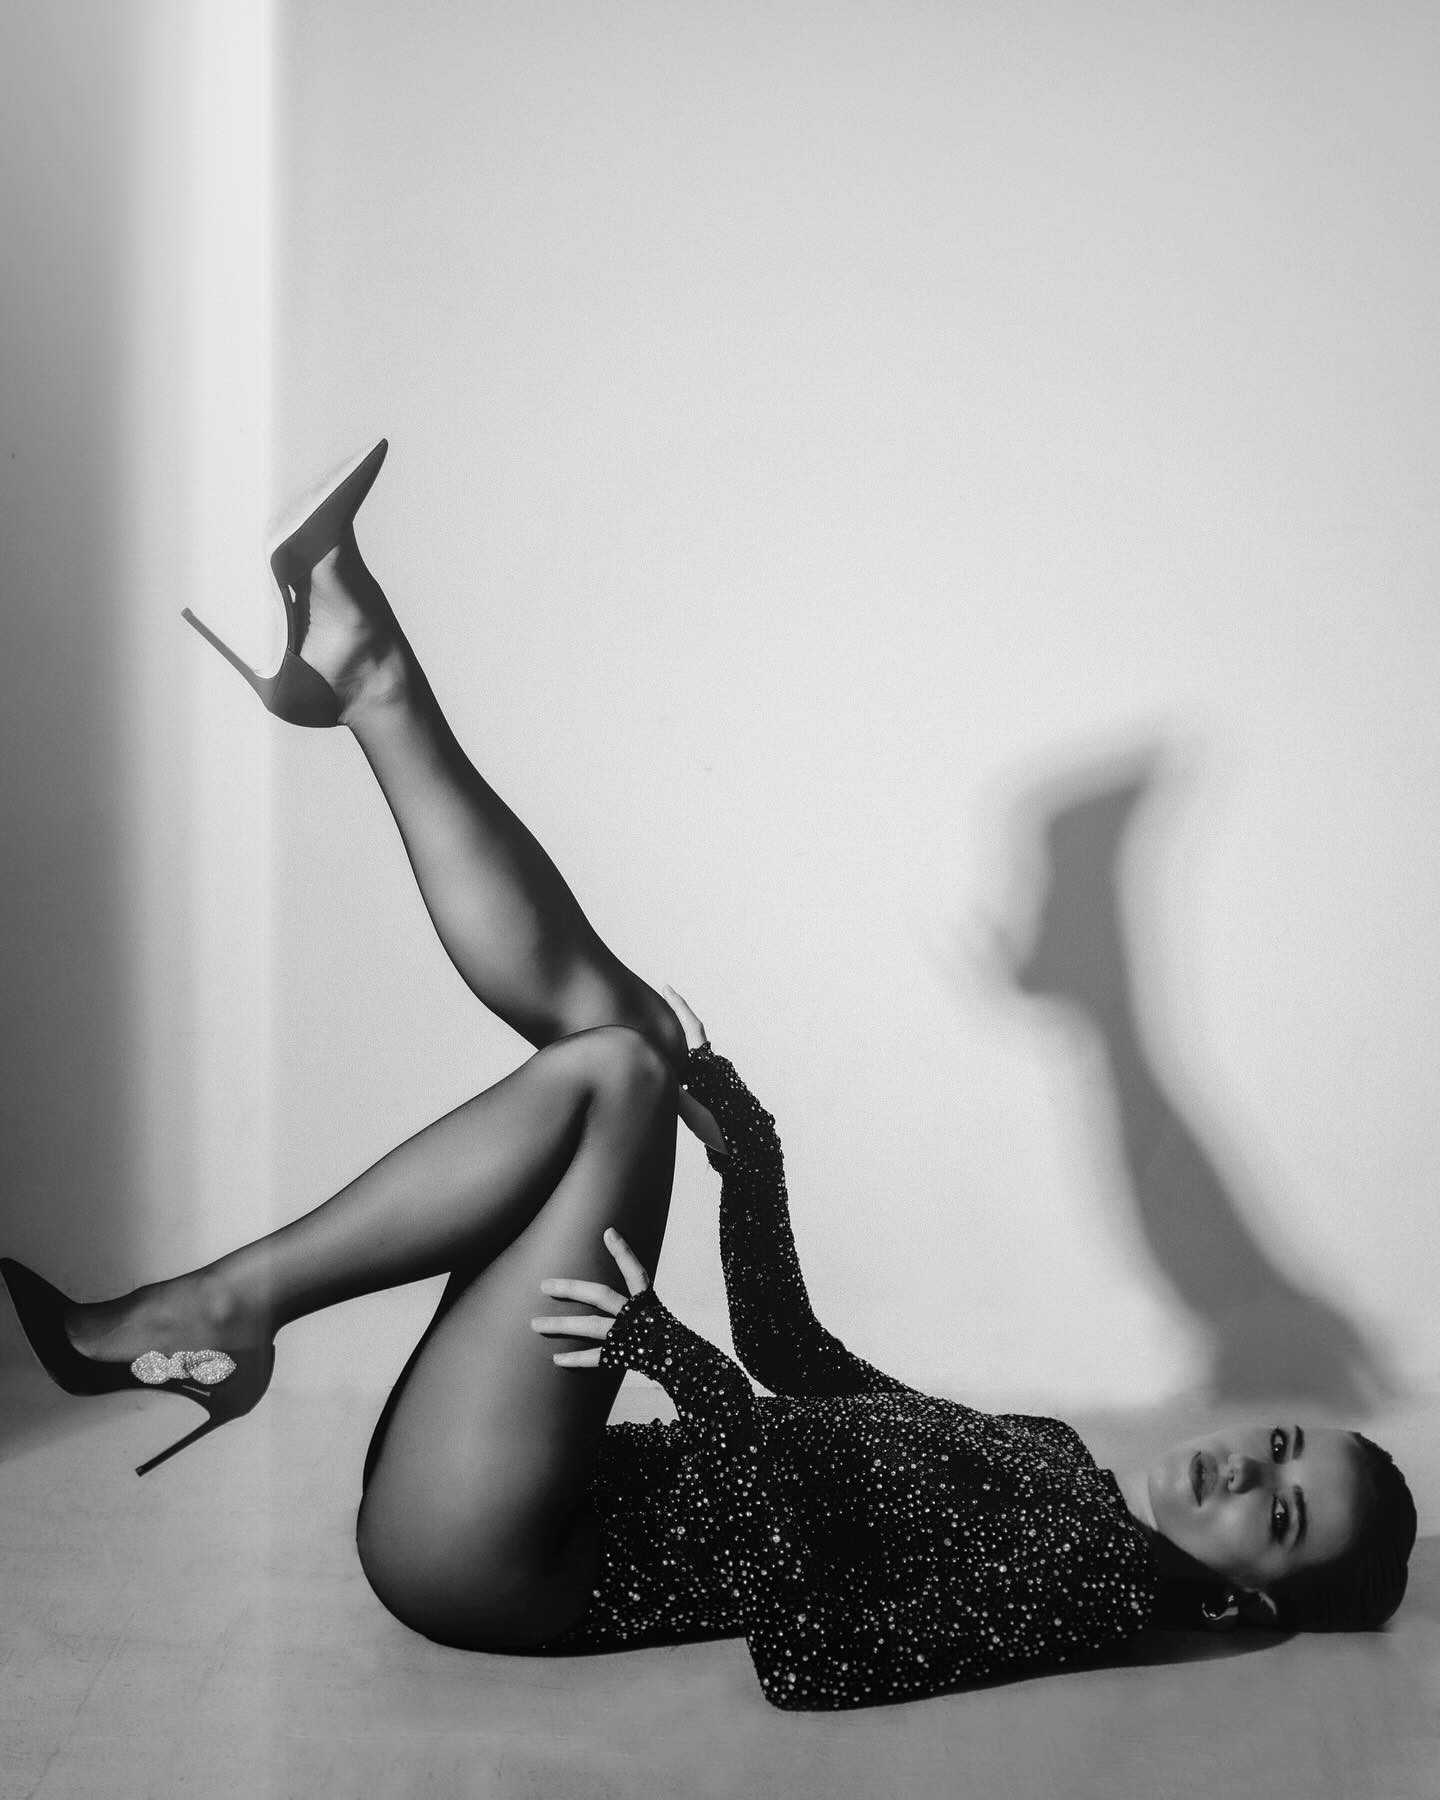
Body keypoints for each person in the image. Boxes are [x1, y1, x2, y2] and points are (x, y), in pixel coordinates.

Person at [2, 442, 1415, 1710]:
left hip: (501, 1556)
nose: (1247, 1468)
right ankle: (367, 679)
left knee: (620, 1062)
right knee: (631, 1051)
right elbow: (803, 1368)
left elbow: (813, 1655)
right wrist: (753, 1166)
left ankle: (363, 694)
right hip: (506, 1475)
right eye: (1285, 1442)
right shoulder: (1060, 1468)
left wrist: (674, 1366)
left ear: (1250, 1599)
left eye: (1280, 1514)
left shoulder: (1090, 1586)